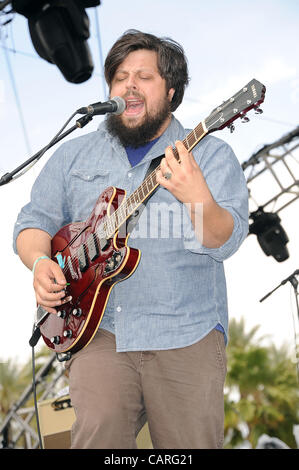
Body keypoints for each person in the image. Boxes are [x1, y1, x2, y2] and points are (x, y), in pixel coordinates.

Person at [13, 29, 249, 449]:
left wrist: (198, 198)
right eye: (120, 77)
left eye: (144, 76)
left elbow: (224, 240)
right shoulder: (73, 155)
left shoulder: (210, 156)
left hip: (185, 332)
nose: (129, 86)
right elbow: (34, 222)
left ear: (171, 92)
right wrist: (39, 262)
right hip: (99, 332)